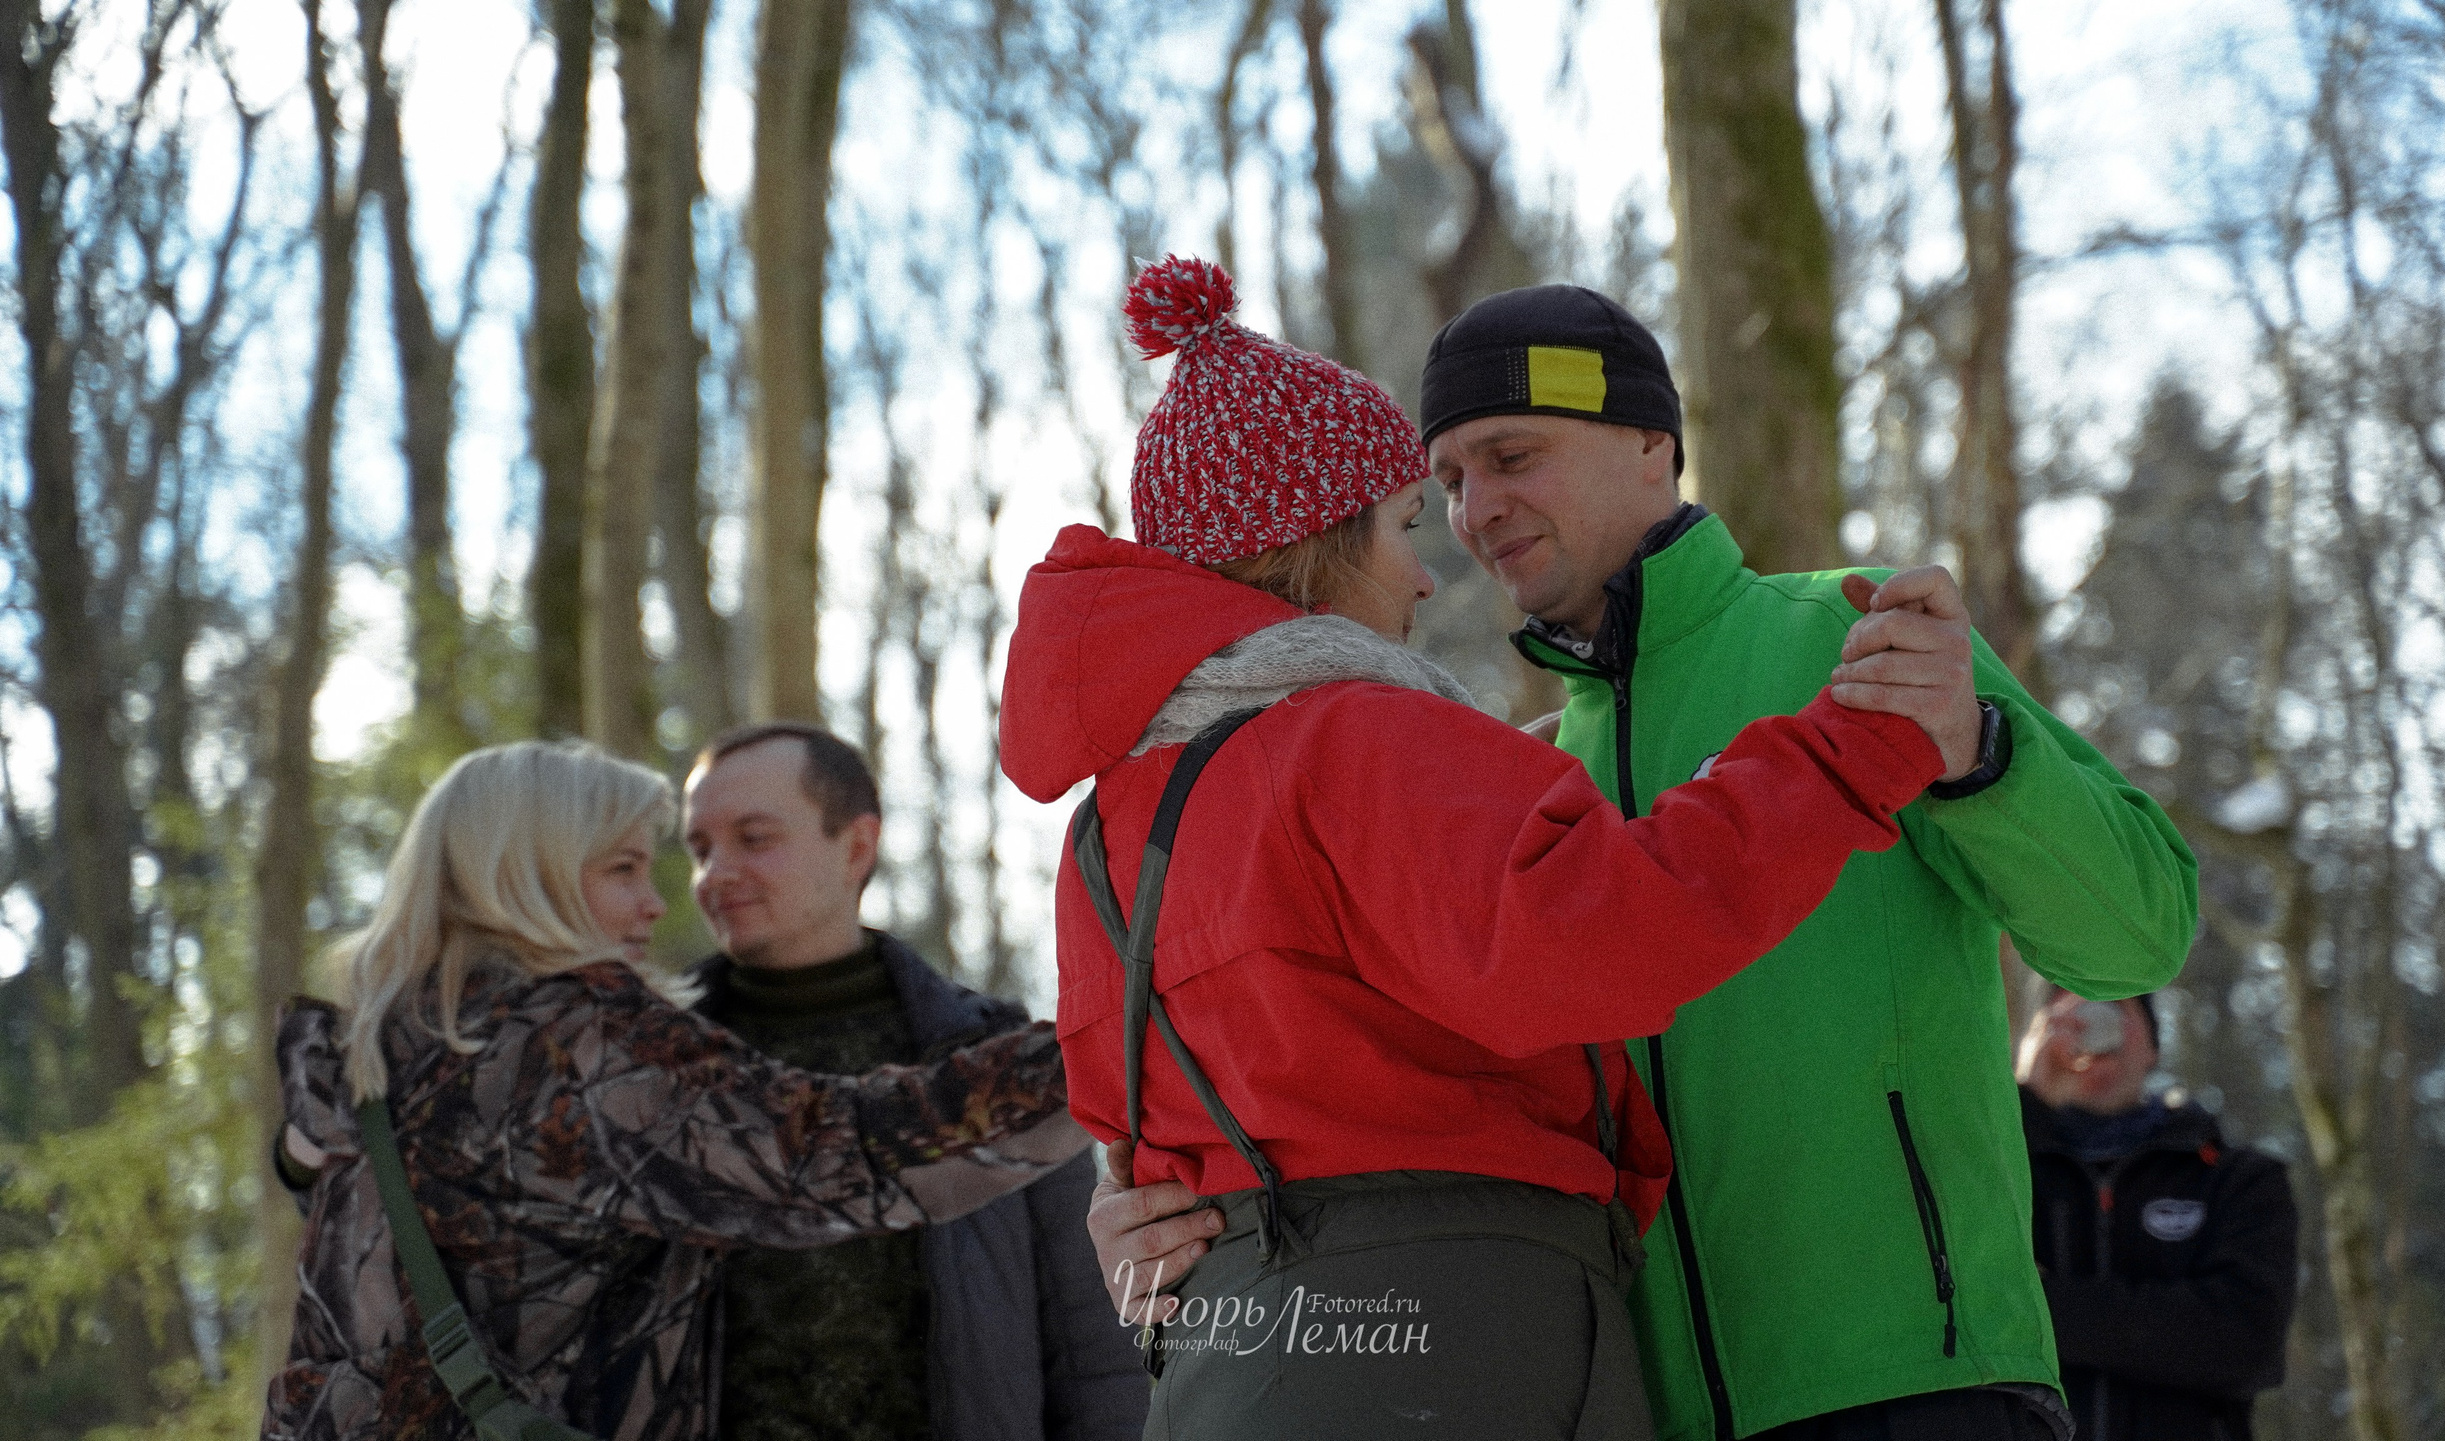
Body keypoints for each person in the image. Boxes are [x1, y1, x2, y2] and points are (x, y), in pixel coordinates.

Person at [1094, 282, 2200, 1440]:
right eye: (1451, 482)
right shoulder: (1502, 775)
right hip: (1628, 1407)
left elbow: (2137, 933)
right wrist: (1161, 1224)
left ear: (1648, 441)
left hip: (1913, 1387)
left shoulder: (1854, 643)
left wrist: (1977, 749)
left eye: (1511, 455)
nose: (1477, 511)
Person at [264, 741, 1086, 1441]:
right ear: (531, 876)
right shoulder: (579, 1041)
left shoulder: (383, 1043)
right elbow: (835, 1149)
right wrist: (1109, 1048)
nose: (658, 902)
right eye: (624, 869)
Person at [679, 722, 1147, 1441]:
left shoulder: (990, 1060)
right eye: (700, 848)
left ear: (857, 846)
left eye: (754, 837)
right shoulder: (651, 1066)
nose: (716, 874)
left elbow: (1089, 1351)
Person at [2017, 988, 2297, 1440]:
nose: (2093, 1024)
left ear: (2153, 1044)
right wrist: (2023, 1105)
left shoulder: (2236, 1180)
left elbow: (2242, 1340)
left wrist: (2042, 1306)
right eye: (2072, 1013)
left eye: (2113, 1007)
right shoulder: (2003, 1179)